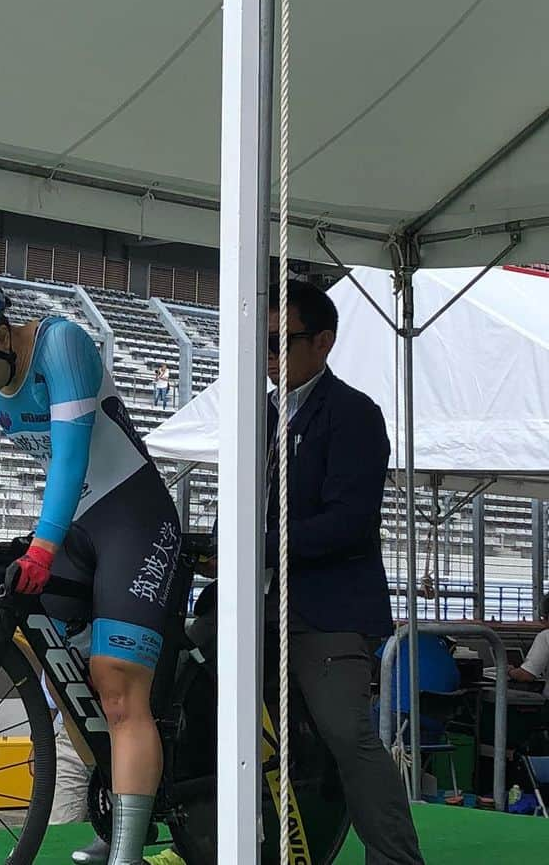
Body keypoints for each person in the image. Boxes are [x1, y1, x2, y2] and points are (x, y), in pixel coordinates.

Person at [0, 262, 183, 865]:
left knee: (118, 688)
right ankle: (121, 806)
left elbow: (71, 460)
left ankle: (127, 853)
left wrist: (41, 550)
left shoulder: (61, 344)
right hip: (73, 524)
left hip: (133, 518)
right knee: (61, 672)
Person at [262, 280, 423, 864]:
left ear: (324, 342)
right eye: (263, 341)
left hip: (326, 612)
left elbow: (349, 524)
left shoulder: (356, 415)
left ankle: (397, 858)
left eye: (281, 341)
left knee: (346, 736)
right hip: (258, 606)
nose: (269, 355)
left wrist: (260, 546)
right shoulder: (259, 413)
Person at [509, 594, 549, 698]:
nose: (543, 622)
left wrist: (509, 671)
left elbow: (526, 675)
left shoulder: (546, 636)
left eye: (543, 617)